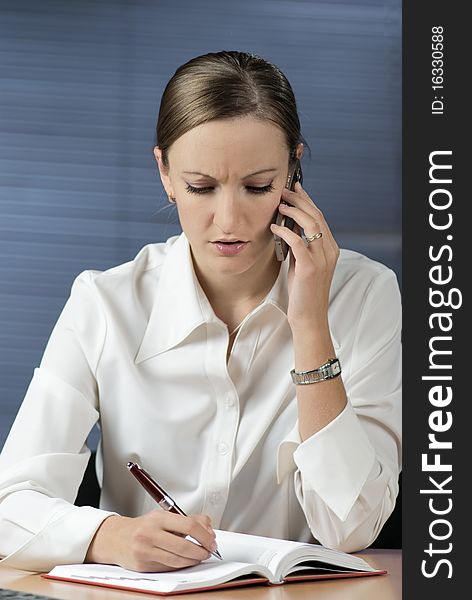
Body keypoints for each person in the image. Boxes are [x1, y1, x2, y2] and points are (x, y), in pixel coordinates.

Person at [0, 50, 401, 572]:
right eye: (200, 187)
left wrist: (309, 325)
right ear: (165, 172)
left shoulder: (364, 293)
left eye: (258, 187)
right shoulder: (105, 303)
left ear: (293, 170)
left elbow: (350, 528)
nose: (228, 219)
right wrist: (110, 537)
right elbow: (8, 504)